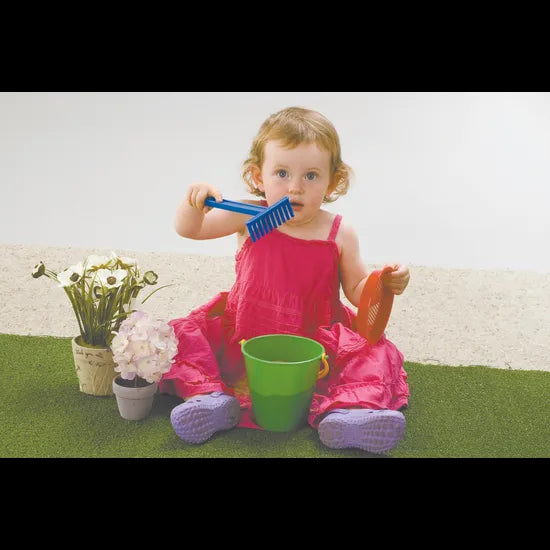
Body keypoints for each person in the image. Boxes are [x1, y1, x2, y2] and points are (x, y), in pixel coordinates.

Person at [160, 106, 411, 454]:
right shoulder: (248, 216)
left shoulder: (339, 232)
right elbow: (192, 229)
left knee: (372, 352)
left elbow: (358, 291)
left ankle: (347, 414)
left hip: (315, 347)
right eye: (281, 173)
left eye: (311, 176)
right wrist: (194, 202)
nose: (295, 187)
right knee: (181, 335)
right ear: (258, 176)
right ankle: (210, 399)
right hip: (244, 338)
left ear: (333, 181)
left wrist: (385, 283)